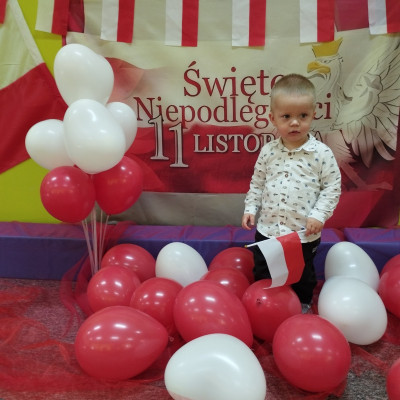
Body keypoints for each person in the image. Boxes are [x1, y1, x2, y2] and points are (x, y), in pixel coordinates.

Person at [241, 73, 341, 312]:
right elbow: (257, 182)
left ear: (313, 115)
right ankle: (263, 307)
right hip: (268, 230)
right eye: (286, 116)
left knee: (302, 274)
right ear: (273, 118)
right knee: (264, 269)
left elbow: (332, 187)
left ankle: (302, 304)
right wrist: (250, 208)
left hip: (302, 233)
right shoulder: (268, 151)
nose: (295, 123)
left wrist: (319, 215)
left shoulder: (321, 153)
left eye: (302, 116)